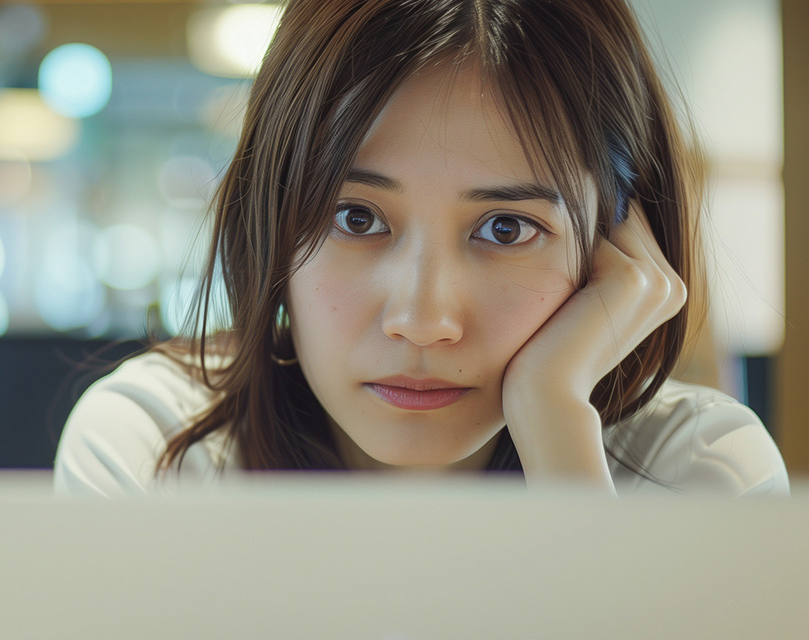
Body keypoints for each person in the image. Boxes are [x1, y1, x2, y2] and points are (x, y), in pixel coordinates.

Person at [55, 0, 790, 496]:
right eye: (354, 217)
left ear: (616, 245)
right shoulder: (158, 450)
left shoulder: (699, 473)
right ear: (270, 221)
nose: (423, 319)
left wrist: (557, 431)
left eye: (506, 228)